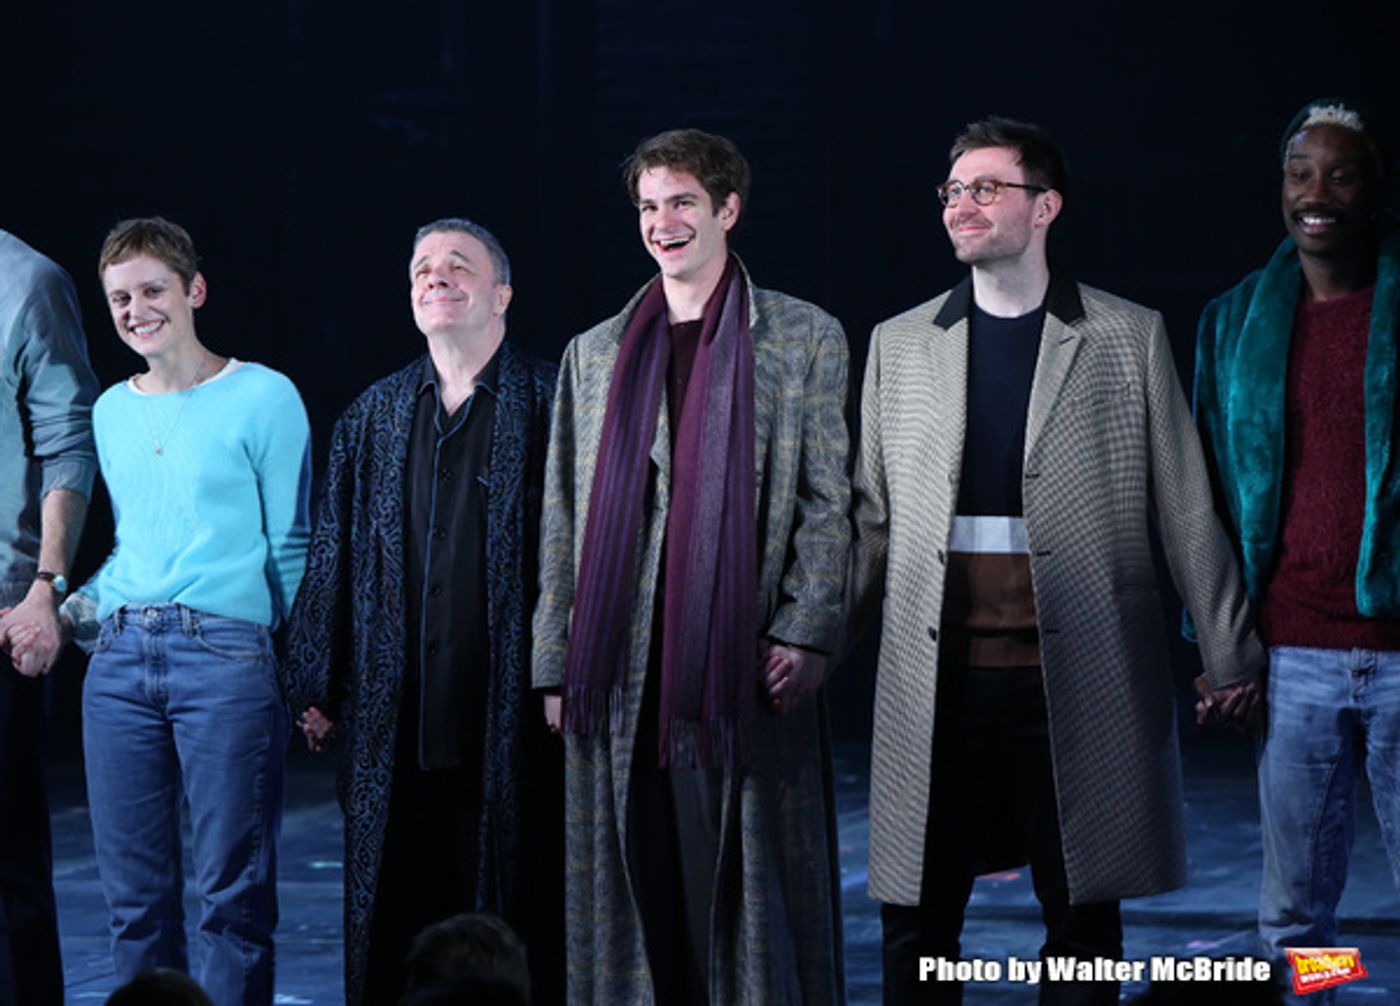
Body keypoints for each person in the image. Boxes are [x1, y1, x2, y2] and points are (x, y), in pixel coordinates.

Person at [847, 117, 1264, 1005]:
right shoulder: (899, 343)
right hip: (935, 678)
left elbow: (1185, 504)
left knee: (1081, 923)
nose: (963, 205)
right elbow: (869, 522)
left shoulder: (1126, 335)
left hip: (1080, 671)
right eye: (954, 190)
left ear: (1046, 207)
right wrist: (807, 642)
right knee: (916, 923)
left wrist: (1229, 657)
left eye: (987, 188)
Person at [532, 128, 850, 1005]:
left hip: (738, 659)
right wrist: (556, 663)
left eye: (681, 203)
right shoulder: (593, 353)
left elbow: (832, 501)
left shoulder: (800, 335)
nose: (662, 223)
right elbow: (561, 516)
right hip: (619, 668)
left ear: (728, 210)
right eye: (648, 206)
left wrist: (807, 627)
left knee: (744, 888)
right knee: (636, 886)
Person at [19, 217, 312, 1006]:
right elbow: (139, 554)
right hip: (117, 666)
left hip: (227, 658)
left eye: (152, 290)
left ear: (194, 291)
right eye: (120, 297)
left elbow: (290, 544)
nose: (136, 309)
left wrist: (298, 670)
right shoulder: (112, 410)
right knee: (135, 906)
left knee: (231, 903)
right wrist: (62, 611)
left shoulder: (264, 395)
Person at [282, 217, 562, 1006]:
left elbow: (578, 553)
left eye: (458, 265)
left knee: (515, 911)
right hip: (394, 722)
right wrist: (316, 679)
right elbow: (333, 549)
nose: (435, 277)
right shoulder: (373, 414)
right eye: (422, 268)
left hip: (509, 720)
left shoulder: (551, 400)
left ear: (501, 293)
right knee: (396, 921)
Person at [1192, 98, 1400, 1002]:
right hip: (1295, 659)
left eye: (1340, 172)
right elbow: (1202, 498)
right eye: (1299, 172)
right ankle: (1325, 993)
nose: (1316, 193)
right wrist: (1223, 649)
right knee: (1300, 920)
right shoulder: (1235, 322)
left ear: (1372, 189)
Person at [0, 227, 99, 1004]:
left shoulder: (28, 282)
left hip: (0, 609)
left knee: (8, 866)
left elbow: (70, 440)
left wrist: (46, 585)